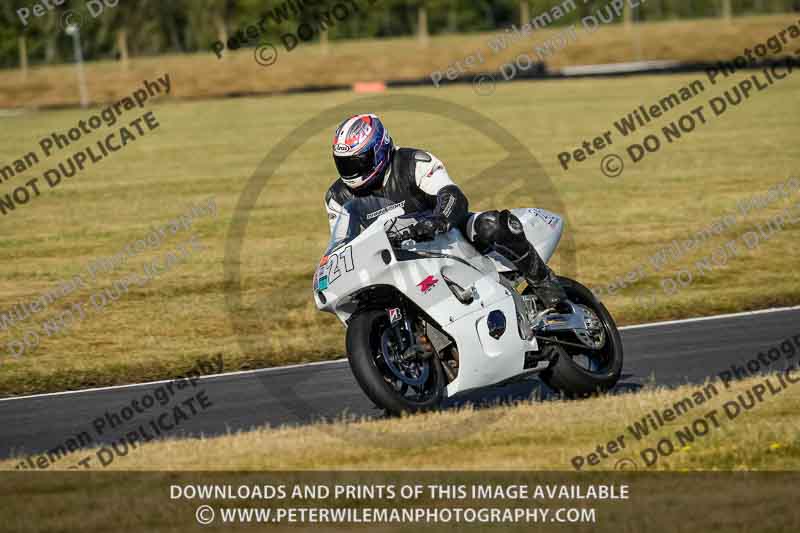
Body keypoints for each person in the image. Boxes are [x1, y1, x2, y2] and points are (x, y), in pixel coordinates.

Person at [324, 114, 567, 309]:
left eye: (357, 162)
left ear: (379, 149)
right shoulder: (337, 198)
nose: (351, 171)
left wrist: (438, 219)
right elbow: (343, 245)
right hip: (397, 257)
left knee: (491, 224)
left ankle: (544, 282)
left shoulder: (413, 162)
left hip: (447, 236)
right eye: (344, 164)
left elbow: (451, 195)